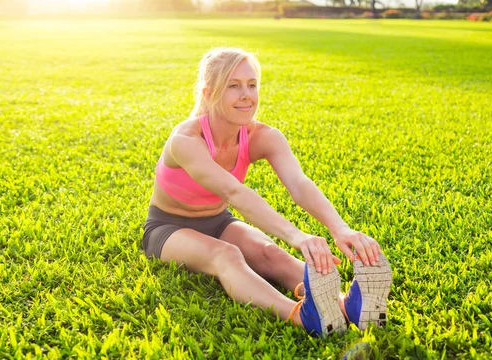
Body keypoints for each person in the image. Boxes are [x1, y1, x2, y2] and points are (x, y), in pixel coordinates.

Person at [142, 47, 392, 336]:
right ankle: (302, 316)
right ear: (209, 93)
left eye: (251, 84)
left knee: (271, 253)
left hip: (217, 220)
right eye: (233, 86)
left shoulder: (264, 136)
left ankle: (346, 307)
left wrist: (340, 229)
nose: (246, 94)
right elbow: (234, 192)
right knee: (227, 255)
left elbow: (299, 184)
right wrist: (298, 236)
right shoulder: (186, 140)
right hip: (167, 227)